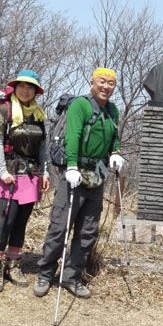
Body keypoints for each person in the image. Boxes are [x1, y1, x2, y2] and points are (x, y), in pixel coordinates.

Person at [34, 68, 124, 299]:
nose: (106, 87)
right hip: (73, 174)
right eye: (102, 82)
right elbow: (72, 135)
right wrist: (71, 165)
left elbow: (114, 135)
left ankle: (71, 277)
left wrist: (116, 152)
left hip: (97, 174)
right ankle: (45, 273)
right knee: (60, 226)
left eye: (111, 83)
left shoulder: (113, 110)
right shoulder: (80, 105)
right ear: (92, 83)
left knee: (88, 231)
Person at [0, 70, 50, 292]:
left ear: (35, 91)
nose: (25, 91)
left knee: (22, 222)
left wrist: (45, 173)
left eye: (30, 87)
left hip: (31, 175)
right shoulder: (4, 109)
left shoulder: (38, 114)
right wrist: (2, 170)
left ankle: (13, 264)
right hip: (11, 174)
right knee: (7, 220)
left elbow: (42, 147)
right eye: (22, 86)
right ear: (15, 87)